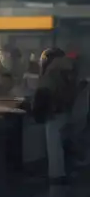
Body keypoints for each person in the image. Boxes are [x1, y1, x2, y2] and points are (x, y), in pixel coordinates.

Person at [33, 47, 78, 184]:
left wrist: (38, 111)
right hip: (64, 112)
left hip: (54, 113)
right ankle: (62, 173)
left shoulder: (50, 74)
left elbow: (43, 93)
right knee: (61, 144)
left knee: (54, 145)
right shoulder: (67, 73)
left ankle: (56, 175)